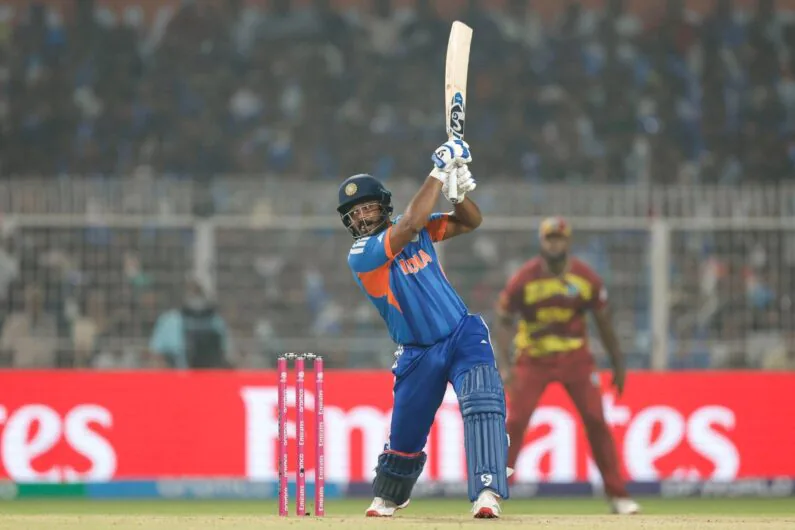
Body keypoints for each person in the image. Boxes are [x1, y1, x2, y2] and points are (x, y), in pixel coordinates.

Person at [338, 139, 509, 518]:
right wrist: (438, 170)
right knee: (406, 433)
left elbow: (471, 221)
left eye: (367, 207)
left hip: (462, 334)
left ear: (383, 205)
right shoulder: (362, 254)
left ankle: (487, 491)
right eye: (354, 213)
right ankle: (391, 494)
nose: (362, 217)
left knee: (482, 403)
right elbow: (412, 222)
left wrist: (458, 194)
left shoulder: (416, 228)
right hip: (417, 351)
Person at [493, 216, 640, 515]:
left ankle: (618, 495)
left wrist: (618, 363)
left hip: (576, 359)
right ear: (542, 242)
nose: (554, 244)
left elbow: (604, 323)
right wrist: (505, 365)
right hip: (533, 358)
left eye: (559, 238)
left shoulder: (585, 278)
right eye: (550, 238)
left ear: (568, 242)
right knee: (515, 422)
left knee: (596, 420)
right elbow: (504, 321)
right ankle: (493, 493)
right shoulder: (524, 278)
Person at [149, 278, 231, 369]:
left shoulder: (216, 322)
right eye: (193, 292)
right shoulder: (168, 322)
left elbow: (225, 356)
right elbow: (156, 358)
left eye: (198, 292)